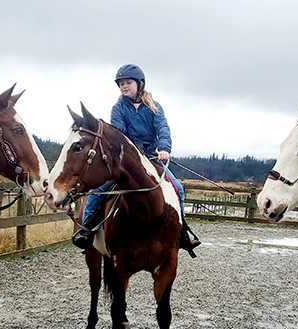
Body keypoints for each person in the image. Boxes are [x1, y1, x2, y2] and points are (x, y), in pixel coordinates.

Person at [72, 64, 203, 256]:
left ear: (139, 84)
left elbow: (163, 129)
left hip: (151, 157)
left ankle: (183, 233)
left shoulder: (154, 107)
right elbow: (119, 133)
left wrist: (164, 148)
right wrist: (132, 153)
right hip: (127, 159)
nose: (124, 86)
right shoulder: (118, 108)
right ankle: (86, 232)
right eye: (121, 84)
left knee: (178, 188)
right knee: (99, 190)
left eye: (128, 83)